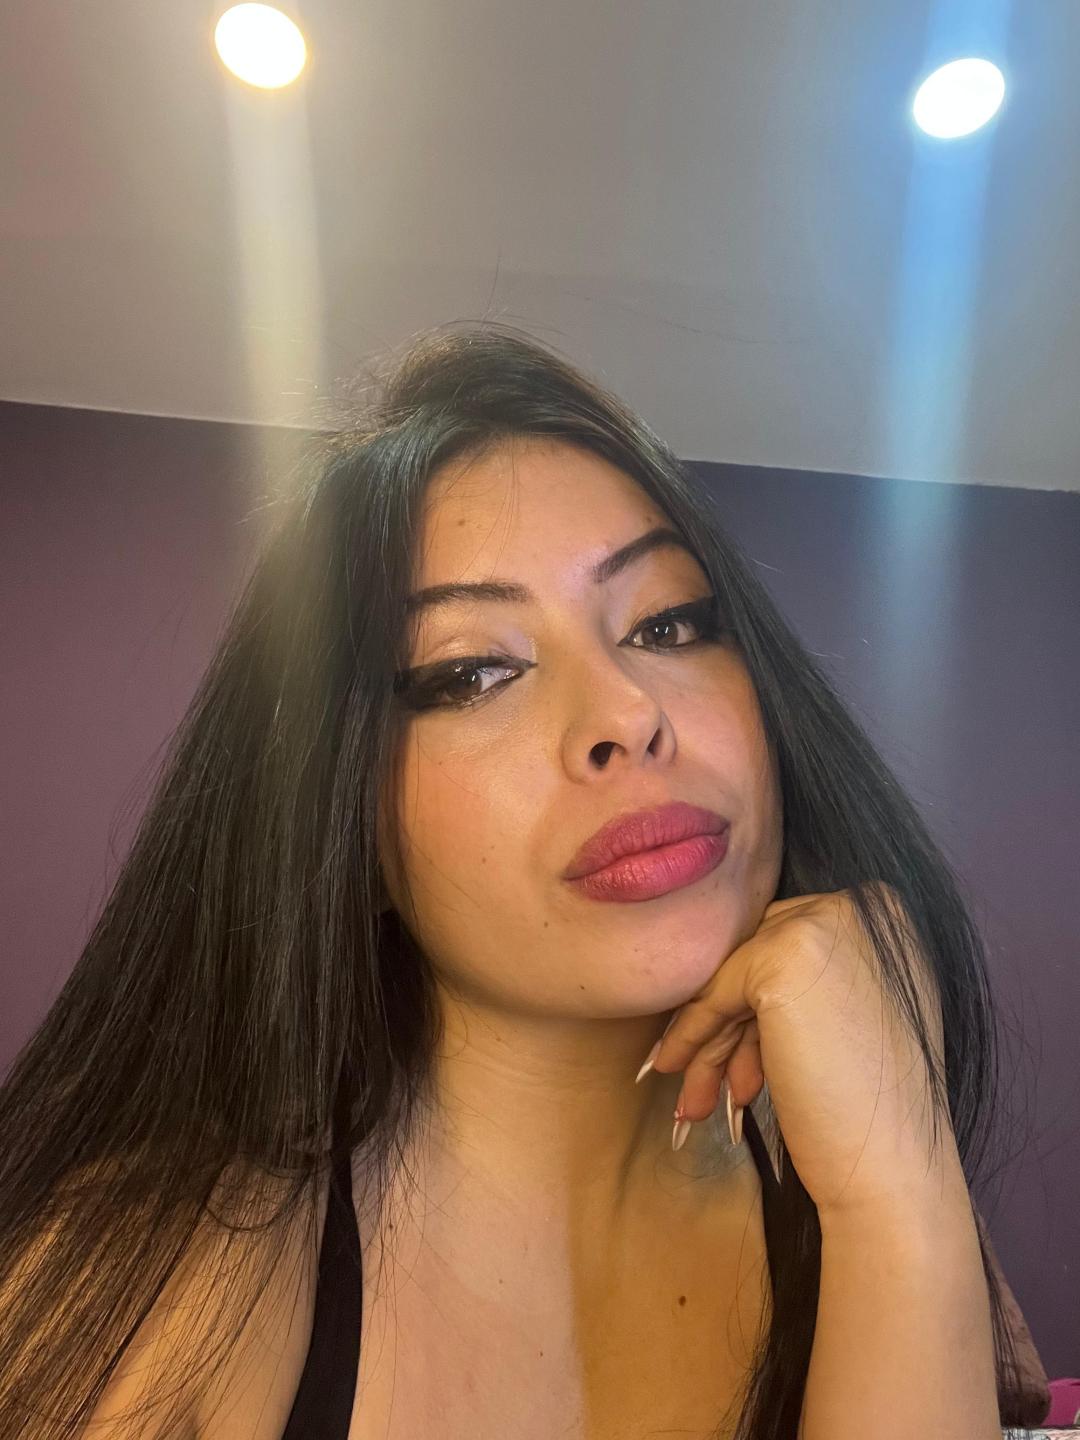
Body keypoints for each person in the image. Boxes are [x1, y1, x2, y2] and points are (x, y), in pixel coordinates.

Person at [0, 322, 1037, 1439]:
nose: (629, 713)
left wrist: (900, 1199)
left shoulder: (882, 1186)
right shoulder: (164, 1281)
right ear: (343, 820)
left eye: (668, 623)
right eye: (470, 672)